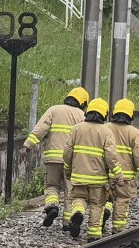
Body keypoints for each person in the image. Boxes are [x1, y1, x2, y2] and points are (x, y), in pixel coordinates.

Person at [20, 87, 89, 228]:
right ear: (83, 102)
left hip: (53, 159)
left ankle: (52, 206)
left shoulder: (54, 110)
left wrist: (28, 145)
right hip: (72, 161)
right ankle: (68, 223)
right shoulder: (82, 116)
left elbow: (40, 129)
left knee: (52, 186)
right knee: (71, 192)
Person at [62, 98, 125, 241]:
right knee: (97, 205)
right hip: (98, 178)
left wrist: (68, 169)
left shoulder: (77, 128)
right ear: (104, 114)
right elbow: (111, 157)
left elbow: (67, 152)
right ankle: (94, 234)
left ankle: (78, 213)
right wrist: (118, 176)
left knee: (79, 199)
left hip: (78, 175)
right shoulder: (106, 132)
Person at [106, 98, 139, 233]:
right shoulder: (134, 132)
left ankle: (105, 211)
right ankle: (118, 229)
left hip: (106, 174)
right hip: (126, 178)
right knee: (122, 200)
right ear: (131, 114)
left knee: (104, 198)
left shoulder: (105, 128)